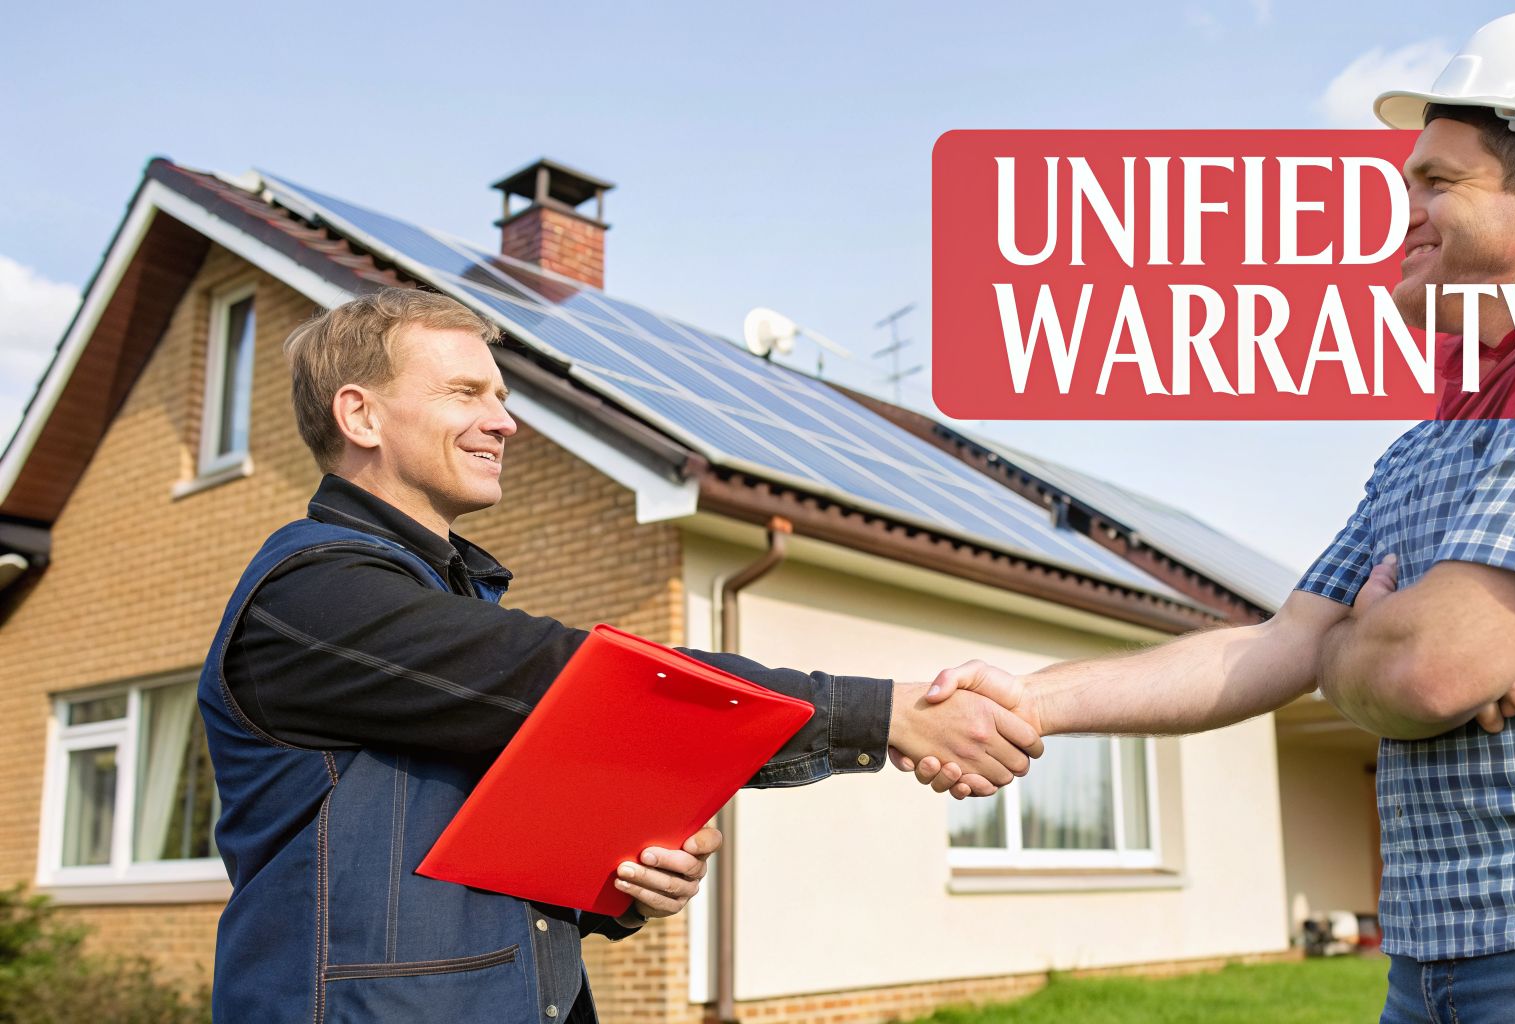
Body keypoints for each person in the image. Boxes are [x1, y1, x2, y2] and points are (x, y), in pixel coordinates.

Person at [910, 12, 1515, 1022]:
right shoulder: (1427, 442)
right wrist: (1026, 699)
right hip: (1435, 957)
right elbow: (1284, 643)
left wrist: (1386, 648)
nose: (1400, 212)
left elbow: (1426, 669)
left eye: (1437, 183)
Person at [197, 287, 1043, 1023]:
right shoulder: (311, 596)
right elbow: (580, 687)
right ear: (361, 415)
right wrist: (890, 714)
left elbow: (473, 858)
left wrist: (620, 886)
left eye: (501, 395)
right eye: (465, 392)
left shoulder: (434, 604)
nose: (503, 421)